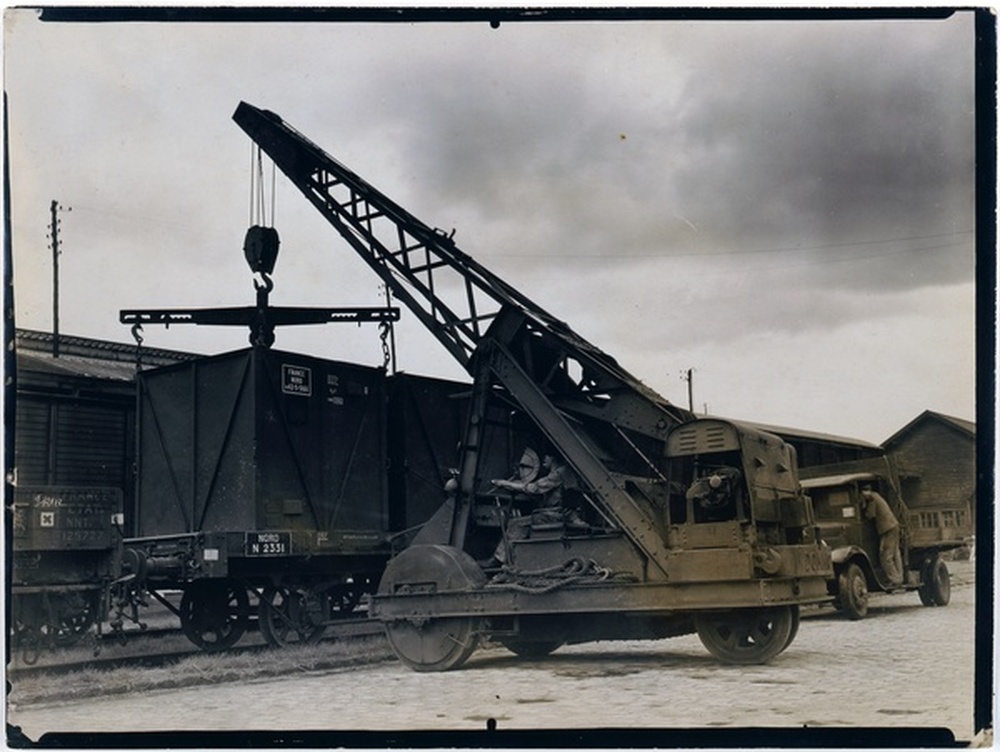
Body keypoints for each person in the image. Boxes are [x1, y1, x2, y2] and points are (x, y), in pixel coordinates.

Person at [484, 450, 586, 567]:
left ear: (552, 458)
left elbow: (533, 488)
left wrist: (505, 483)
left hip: (554, 515)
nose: (543, 459)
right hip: (565, 513)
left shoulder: (557, 474)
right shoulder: (567, 471)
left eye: (546, 456)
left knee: (516, 523)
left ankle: (499, 560)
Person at [860, 485, 904, 585]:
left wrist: (863, 508)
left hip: (887, 528)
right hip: (893, 526)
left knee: (885, 554)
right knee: (895, 554)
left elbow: (870, 515)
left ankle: (893, 579)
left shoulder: (871, 499)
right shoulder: (876, 495)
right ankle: (899, 578)